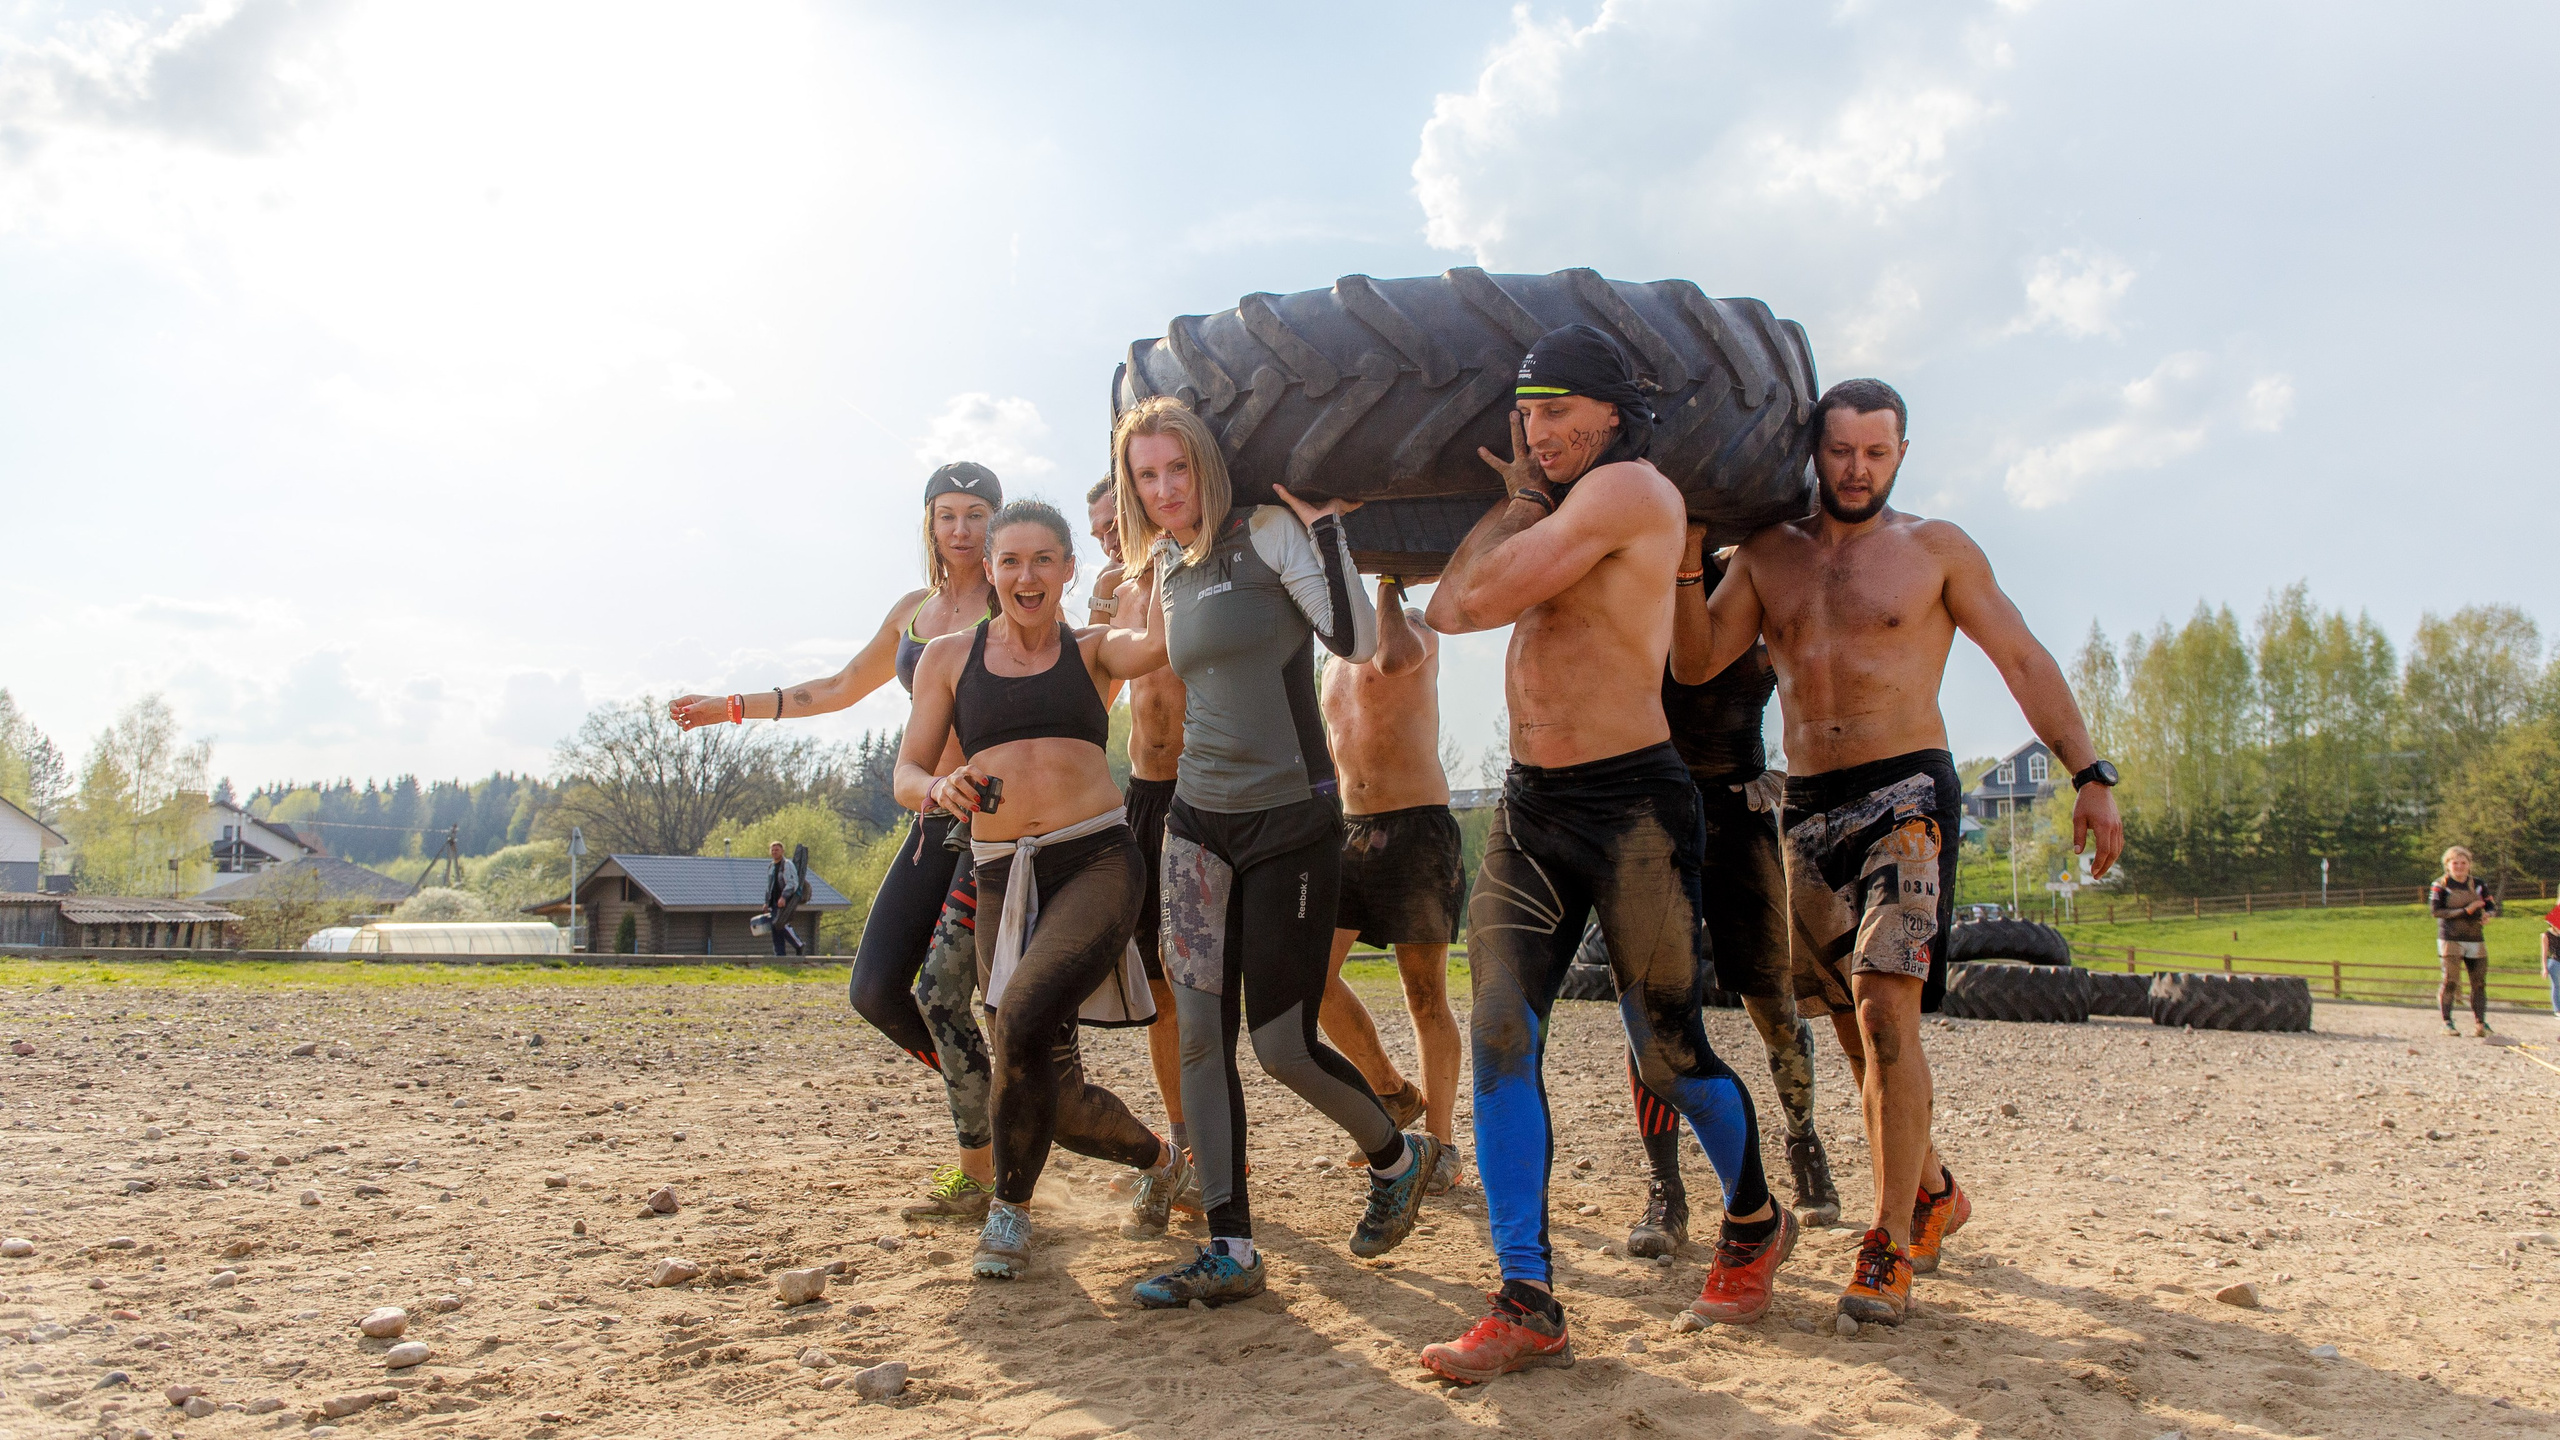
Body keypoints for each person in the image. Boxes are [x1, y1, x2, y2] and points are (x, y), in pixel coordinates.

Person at [1673, 376, 2124, 1327]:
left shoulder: (1936, 550)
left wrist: (2089, 771)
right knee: (1845, 1022)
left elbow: (2024, 659)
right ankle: (1932, 1191)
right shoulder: (1765, 554)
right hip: (1806, 806)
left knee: (1884, 1010)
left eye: (1875, 453)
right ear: (1815, 449)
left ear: (1901, 454)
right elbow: (1697, 660)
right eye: (1840, 451)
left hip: (1907, 796)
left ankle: (1883, 1250)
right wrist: (1685, 557)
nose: (1856, 469)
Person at [1417, 325, 1788, 1384]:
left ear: (1613, 412)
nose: (1537, 433)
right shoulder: (1558, 497)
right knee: (1499, 1033)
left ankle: (1752, 1221)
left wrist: (1522, 508)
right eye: (1524, 416)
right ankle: (1525, 1299)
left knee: (1666, 1052)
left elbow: (1476, 599)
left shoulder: (1631, 493)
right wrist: (1514, 499)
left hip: (1633, 807)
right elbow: (1444, 610)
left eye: (1556, 412)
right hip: (1535, 808)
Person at [1111, 395, 1444, 1310]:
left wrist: (1327, 534)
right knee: (1200, 1045)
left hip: (1291, 820)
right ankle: (1230, 1246)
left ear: (1207, 469)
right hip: (1196, 825)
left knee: (1282, 1044)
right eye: (1148, 474)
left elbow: (1358, 640)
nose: (1166, 488)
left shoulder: (1265, 532)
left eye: (1178, 467)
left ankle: (1394, 1157)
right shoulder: (1167, 571)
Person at [671, 462, 1001, 1223]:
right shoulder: (913, 611)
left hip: (995, 824)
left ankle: (981, 1168)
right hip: (929, 819)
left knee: (957, 1000)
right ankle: (986, 1094)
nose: (961, 529)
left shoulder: (1015, 594)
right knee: (876, 991)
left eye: (976, 513)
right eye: (947, 514)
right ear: (929, 523)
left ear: (995, 520)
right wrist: (730, 706)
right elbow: (838, 689)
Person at [895, 498, 1184, 1279]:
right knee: (1045, 1085)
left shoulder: (1092, 651)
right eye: (1011, 561)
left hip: (1095, 861)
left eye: (1043, 560)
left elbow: (1157, 640)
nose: (1027, 576)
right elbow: (906, 772)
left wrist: (1157, 547)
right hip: (1001, 877)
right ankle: (1160, 1160)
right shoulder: (948, 658)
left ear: (1067, 569)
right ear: (988, 571)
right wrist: (940, 784)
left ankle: (1008, 1216)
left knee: (1018, 1013)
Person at [1623, 562, 1843, 1257]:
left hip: (1743, 815)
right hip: (1656, 819)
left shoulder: (1760, 576)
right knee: (1653, 1014)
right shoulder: (1642, 576)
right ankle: (1666, 1192)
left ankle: (1803, 1141)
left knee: (1773, 1003)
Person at [1316, 575, 1465, 1185]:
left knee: (1424, 992)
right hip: (1349, 832)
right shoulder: (1331, 654)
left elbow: (1395, 658)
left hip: (1418, 829)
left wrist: (1386, 586)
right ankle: (1392, 1093)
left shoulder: (1417, 626)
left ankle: (1442, 1144)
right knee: (1313, 981)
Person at [1085, 475, 1192, 1208]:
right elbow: (1092, 705)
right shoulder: (1117, 593)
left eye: (1110, 523)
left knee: (1208, 983)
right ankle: (1184, 1142)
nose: (1104, 538)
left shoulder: (1193, 568)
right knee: (1156, 985)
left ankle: (1386, 1099)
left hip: (1206, 793)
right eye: (1094, 530)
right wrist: (1094, 613)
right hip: (1142, 796)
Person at [2430, 846, 2499, 1037]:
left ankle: (2480, 1023)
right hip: (2450, 938)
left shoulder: (2479, 884)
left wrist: (2488, 915)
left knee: (2479, 982)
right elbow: (2436, 911)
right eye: (2455, 863)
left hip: (2475, 938)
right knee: (2450, 980)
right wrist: (2466, 911)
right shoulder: (2440, 885)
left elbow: (2491, 905)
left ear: (2469, 865)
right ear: (2447, 865)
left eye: (2463, 863)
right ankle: (2447, 1022)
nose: (2459, 867)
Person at [762, 841, 807, 957]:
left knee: (782, 924)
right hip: (773, 902)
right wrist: (766, 902)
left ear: (782, 851)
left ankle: (799, 944)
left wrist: (784, 897)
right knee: (775, 928)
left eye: (777, 849)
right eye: (772, 850)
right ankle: (780, 954)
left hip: (785, 902)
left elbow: (792, 883)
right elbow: (769, 886)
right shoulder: (771, 866)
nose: (774, 852)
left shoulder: (787, 864)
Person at [2542, 904, 2559, 1017]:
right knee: (2556, 985)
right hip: (2555, 961)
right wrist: (2544, 968)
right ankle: (2557, 1009)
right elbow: (2544, 953)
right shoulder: (2546, 935)